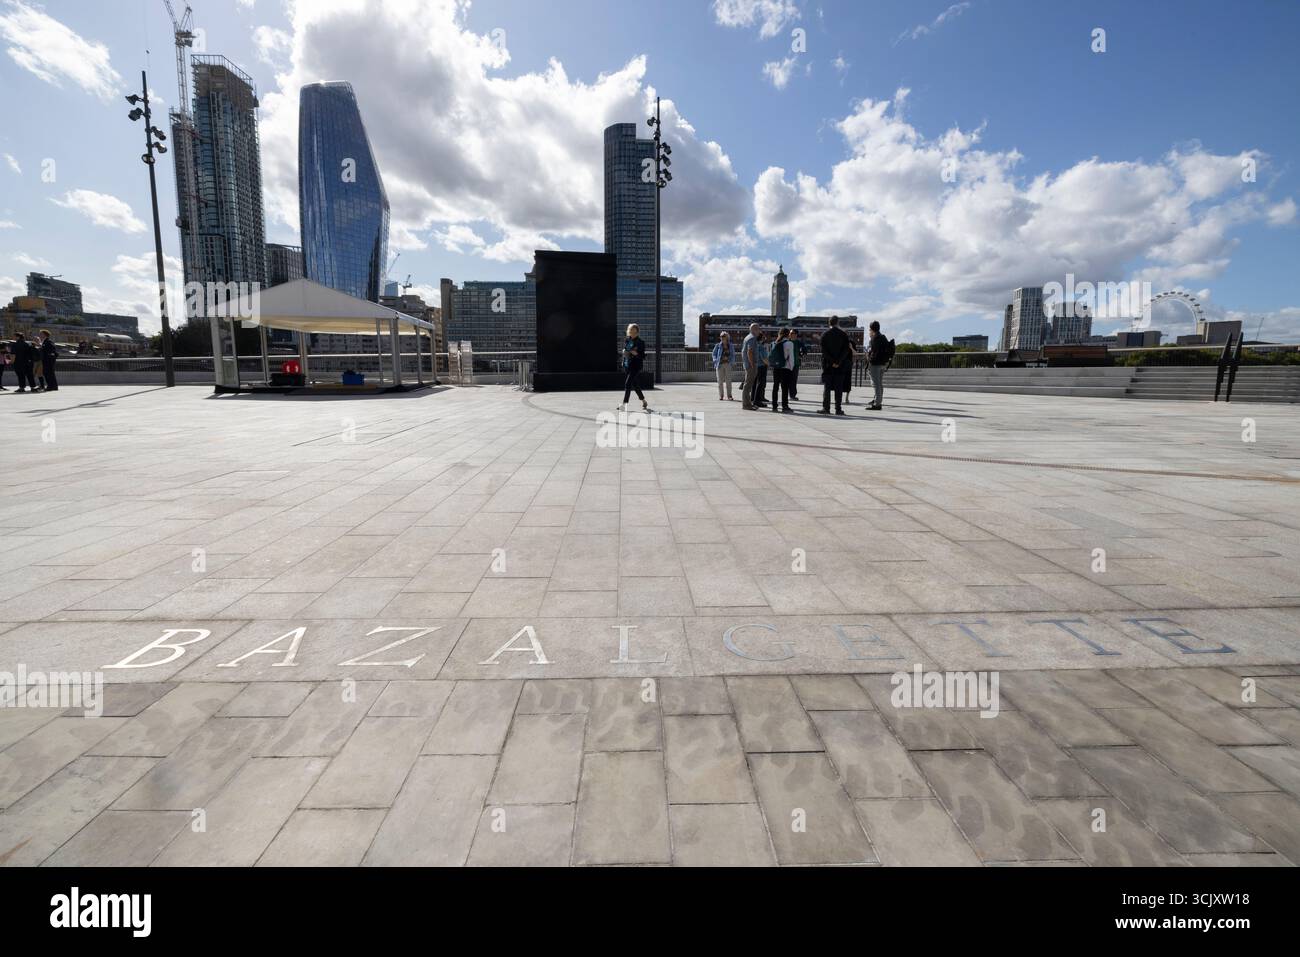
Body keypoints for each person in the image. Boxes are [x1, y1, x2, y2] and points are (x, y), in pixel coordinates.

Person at [818, 316, 851, 416]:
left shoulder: (824, 334)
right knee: (838, 388)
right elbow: (846, 350)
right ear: (838, 323)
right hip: (840, 366)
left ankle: (826, 408)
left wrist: (832, 362)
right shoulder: (843, 335)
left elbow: (824, 352)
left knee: (827, 388)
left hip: (828, 365)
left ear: (829, 323)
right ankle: (838, 409)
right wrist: (838, 362)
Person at [619, 323, 651, 412]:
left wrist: (636, 354)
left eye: (633, 331)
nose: (631, 333)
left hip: (636, 366)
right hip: (627, 365)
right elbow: (626, 352)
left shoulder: (641, 342)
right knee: (635, 385)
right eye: (630, 331)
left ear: (637, 332)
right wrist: (624, 354)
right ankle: (644, 401)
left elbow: (643, 356)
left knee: (628, 383)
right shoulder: (627, 340)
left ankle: (624, 404)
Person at [768, 327, 794, 413]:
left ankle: (774, 406)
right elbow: (791, 358)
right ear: (788, 334)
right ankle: (784, 406)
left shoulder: (774, 343)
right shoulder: (789, 343)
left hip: (776, 367)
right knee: (785, 388)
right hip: (785, 368)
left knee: (775, 387)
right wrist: (791, 368)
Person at [866, 320, 890, 410]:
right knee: (879, 384)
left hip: (875, 364)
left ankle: (877, 404)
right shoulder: (883, 337)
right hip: (883, 364)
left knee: (876, 384)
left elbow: (872, 352)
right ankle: (877, 400)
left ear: (872, 329)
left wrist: (869, 360)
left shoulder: (874, 338)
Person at [740, 323, 760, 410]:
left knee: (747, 385)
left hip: (747, 364)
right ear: (754, 329)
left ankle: (748, 403)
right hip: (750, 365)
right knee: (748, 385)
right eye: (758, 329)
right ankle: (746, 405)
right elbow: (750, 352)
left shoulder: (747, 337)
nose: (759, 331)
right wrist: (752, 364)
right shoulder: (752, 338)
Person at [712, 331, 735, 401]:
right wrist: (715, 360)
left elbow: (733, 355)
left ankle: (729, 396)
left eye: (723, 337)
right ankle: (721, 395)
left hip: (728, 364)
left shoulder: (730, 345)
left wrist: (731, 362)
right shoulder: (718, 345)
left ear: (727, 338)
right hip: (719, 365)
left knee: (728, 381)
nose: (722, 338)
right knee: (720, 381)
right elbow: (713, 354)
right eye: (721, 337)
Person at [753, 332, 770, 408]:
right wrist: (769, 364)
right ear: (761, 338)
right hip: (762, 366)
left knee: (755, 383)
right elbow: (764, 358)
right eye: (764, 338)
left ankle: (753, 398)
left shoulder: (754, 346)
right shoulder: (761, 347)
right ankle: (757, 401)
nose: (765, 339)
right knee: (761, 384)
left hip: (755, 366)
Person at [789, 330, 804, 400]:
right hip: (787, 364)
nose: (792, 334)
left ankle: (793, 395)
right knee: (787, 380)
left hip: (796, 364)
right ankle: (788, 394)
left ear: (796, 335)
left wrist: (801, 355)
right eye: (791, 333)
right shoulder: (787, 342)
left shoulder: (799, 342)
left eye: (793, 333)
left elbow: (804, 350)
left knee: (794, 380)